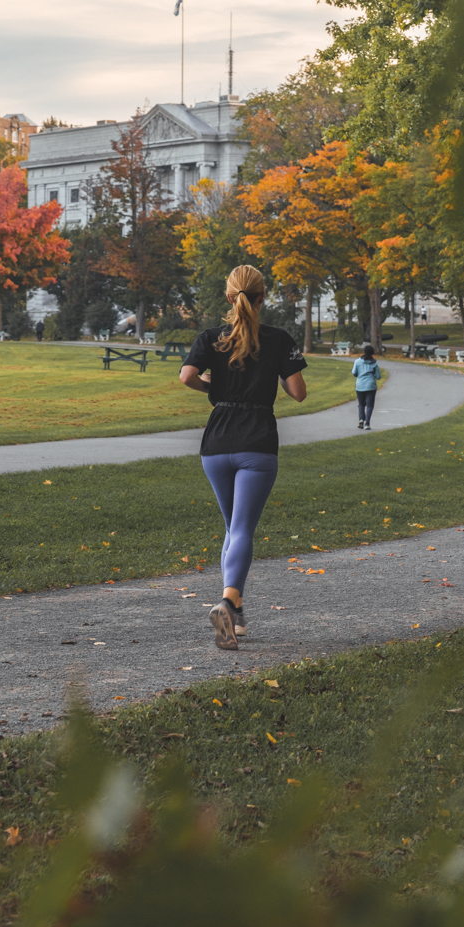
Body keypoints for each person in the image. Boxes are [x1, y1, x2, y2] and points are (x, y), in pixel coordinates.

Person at [180, 265, 307, 651]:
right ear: (262, 296)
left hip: (216, 443)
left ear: (229, 296)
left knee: (233, 529)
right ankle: (228, 600)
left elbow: (186, 376)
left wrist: (212, 387)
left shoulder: (210, 337)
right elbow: (298, 392)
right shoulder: (279, 339)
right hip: (257, 442)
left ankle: (236, 613)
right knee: (243, 530)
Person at [351, 343, 382, 431]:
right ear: (372, 353)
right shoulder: (374, 363)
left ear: (364, 352)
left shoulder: (357, 361)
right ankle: (367, 423)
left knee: (361, 404)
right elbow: (378, 376)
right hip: (371, 386)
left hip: (360, 385)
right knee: (369, 405)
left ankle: (361, 419)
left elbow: (354, 373)